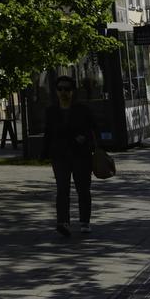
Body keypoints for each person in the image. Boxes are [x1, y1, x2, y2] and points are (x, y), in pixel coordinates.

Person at [40, 75, 101, 236]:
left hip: (81, 155)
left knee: (83, 189)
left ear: (73, 91)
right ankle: (63, 222)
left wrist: (85, 138)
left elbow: (95, 129)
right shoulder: (52, 111)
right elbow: (48, 133)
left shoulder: (83, 110)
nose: (63, 92)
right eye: (60, 89)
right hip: (60, 156)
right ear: (56, 91)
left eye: (67, 89)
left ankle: (84, 222)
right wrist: (43, 153)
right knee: (62, 189)